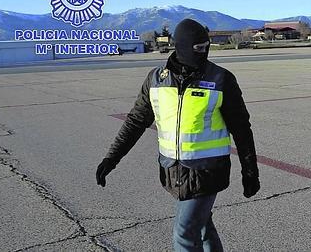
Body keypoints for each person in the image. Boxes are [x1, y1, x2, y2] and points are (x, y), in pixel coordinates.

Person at [95, 18, 260, 252]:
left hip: (207, 170)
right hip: (173, 170)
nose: (204, 53)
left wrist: (250, 170)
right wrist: (112, 158)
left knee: (184, 233)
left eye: (206, 47)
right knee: (203, 228)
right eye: (198, 48)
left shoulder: (221, 79)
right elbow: (135, 122)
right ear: (182, 47)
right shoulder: (156, 79)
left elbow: (242, 129)